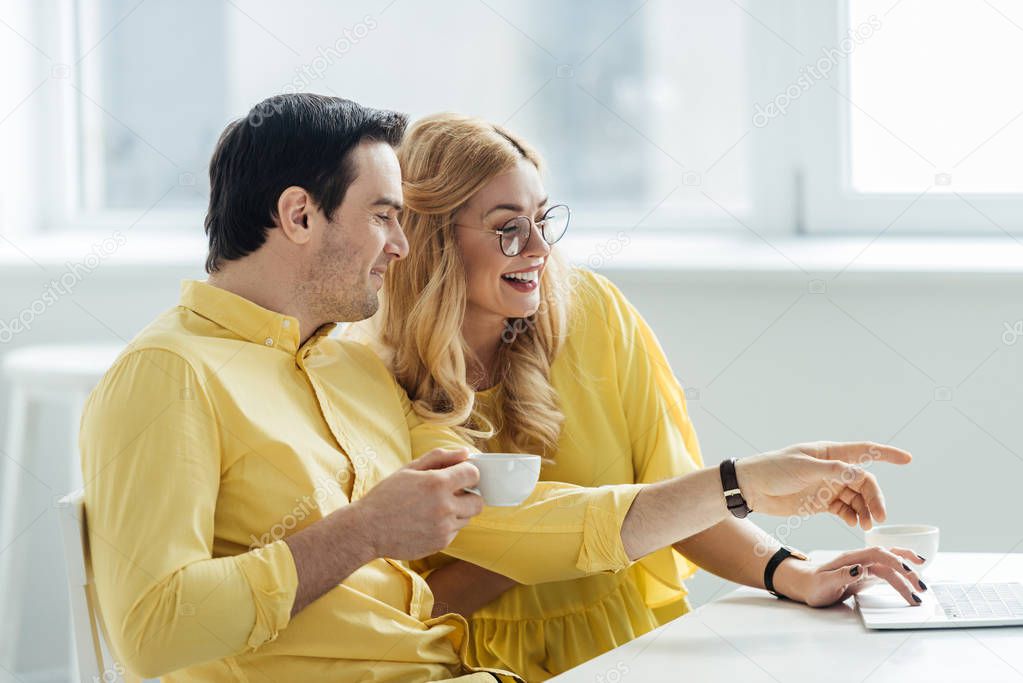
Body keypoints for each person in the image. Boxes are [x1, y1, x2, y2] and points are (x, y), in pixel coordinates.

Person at [80, 94, 919, 683]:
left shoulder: (340, 368)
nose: (399, 247)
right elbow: (152, 634)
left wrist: (740, 481)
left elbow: (519, 521)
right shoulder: (171, 373)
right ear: (299, 215)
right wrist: (363, 532)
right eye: (382, 215)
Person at [356, 112, 928, 680]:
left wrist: (796, 573)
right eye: (509, 227)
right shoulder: (366, 377)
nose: (538, 248)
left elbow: (679, 502)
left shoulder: (595, 315)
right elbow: (395, 609)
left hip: (624, 647)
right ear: (432, 240)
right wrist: (559, 540)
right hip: (461, 664)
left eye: (542, 219)